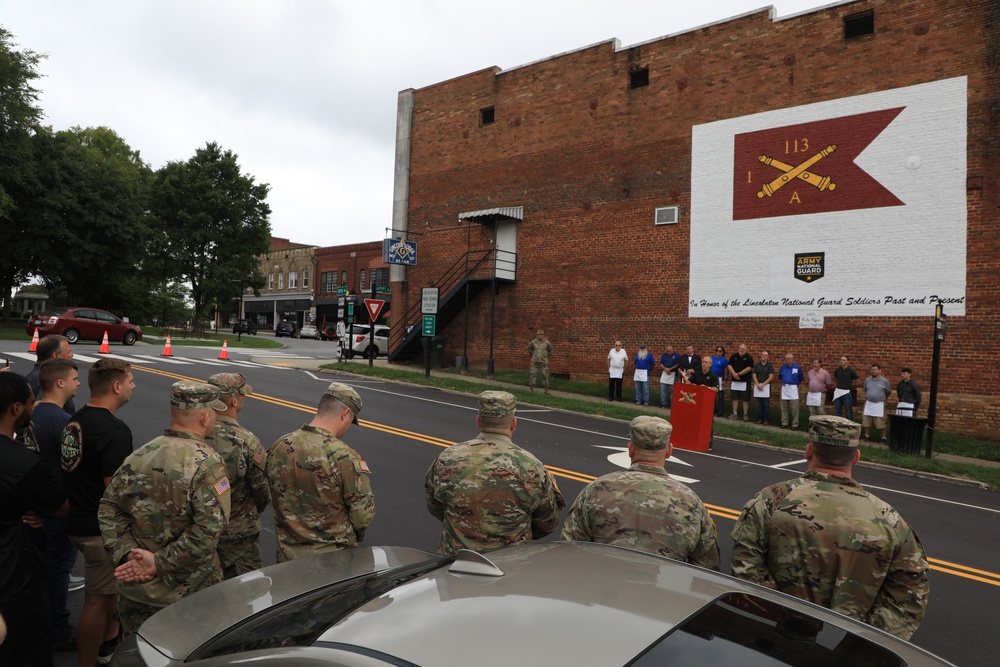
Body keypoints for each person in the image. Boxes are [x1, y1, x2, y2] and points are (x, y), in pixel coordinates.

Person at [731, 415, 929, 640]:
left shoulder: (771, 500)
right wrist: (861, 644)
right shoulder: (889, 519)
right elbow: (909, 597)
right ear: (856, 457)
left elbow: (745, 572)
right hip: (847, 646)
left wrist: (788, 618)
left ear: (808, 451)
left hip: (775, 638)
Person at [99, 381, 231, 633]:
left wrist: (127, 553)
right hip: (187, 596)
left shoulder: (140, 455)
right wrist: (159, 562)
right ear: (204, 417)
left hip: (137, 592)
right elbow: (208, 530)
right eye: (214, 412)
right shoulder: (208, 463)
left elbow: (108, 507)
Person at [560, 416, 719, 569]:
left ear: (630, 449)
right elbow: (707, 567)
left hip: (602, 588)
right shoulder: (690, 501)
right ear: (669, 451)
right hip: (661, 592)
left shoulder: (597, 489)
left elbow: (569, 549)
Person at [425, 390, 565, 555]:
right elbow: (548, 522)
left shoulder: (447, 458)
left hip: (455, 562)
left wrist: (466, 524)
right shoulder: (531, 466)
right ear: (513, 423)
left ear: (478, 421)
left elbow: (435, 506)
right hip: (509, 567)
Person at [61, 358, 135, 666]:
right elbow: (116, 492)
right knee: (95, 600)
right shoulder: (114, 431)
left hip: (77, 518)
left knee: (107, 592)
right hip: (99, 530)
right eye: (130, 381)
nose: (133, 386)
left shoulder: (76, 420)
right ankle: (87, 661)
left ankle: (107, 644)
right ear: (116, 386)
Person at [0, 373, 68, 667]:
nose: (33, 408)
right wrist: (37, 512)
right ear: (16, 409)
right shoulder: (24, 463)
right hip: (15, 578)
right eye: (30, 403)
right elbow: (60, 506)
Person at [267, 383, 374, 562]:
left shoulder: (280, 445)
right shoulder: (344, 457)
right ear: (345, 413)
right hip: (332, 562)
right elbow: (362, 517)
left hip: (287, 559)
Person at [22, 359, 79, 651]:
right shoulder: (61, 420)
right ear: (59, 383)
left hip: (36, 504)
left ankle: (38, 623)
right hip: (59, 506)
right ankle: (57, 627)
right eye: (73, 378)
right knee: (58, 569)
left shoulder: (31, 414)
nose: (77, 383)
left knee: (40, 567)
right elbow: (77, 467)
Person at [204, 373, 270, 578]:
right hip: (238, 537)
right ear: (234, 400)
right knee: (243, 595)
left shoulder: (196, 434)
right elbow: (262, 493)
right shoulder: (247, 442)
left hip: (198, 533)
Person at [24, 334, 77, 413]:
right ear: (56, 355)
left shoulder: (32, 376)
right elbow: (40, 406)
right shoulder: (46, 378)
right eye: (69, 351)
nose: (72, 355)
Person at [689, 356, 720, 448]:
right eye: (703, 362)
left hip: (707, 403)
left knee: (708, 423)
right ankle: (693, 439)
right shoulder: (696, 374)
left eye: (706, 362)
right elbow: (689, 384)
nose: (703, 364)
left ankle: (708, 442)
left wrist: (707, 388)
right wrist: (684, 376)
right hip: (696, 402)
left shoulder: (713, 376)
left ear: (710, 365)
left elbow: (716, 389)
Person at [863, 363, 893, 443]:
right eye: (872, 369)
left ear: (879, 371)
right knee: (867, 421)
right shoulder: (867, 380)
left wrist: (881, 398)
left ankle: (883, 438)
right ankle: (866, 436)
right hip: (869, 403)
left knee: (881, 422)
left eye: (875, 370)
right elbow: (866, 390)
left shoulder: (884, 381)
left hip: (879, 404)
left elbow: (888, 392)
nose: (873, 371)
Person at [727, 344, 754, 421]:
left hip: (745, 381)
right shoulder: (734, 356)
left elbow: (749, 368)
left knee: (745, 399)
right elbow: (729, 365)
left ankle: (745, 414)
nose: (741, 350)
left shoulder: (749, 358)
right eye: (740, 348)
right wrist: (734, 374)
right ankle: (734, 413)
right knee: (734, 397)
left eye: (743, 349)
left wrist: (739, 374)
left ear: (746, 350)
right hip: (735, 381)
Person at [778, 352, 804, 429]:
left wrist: (795, 384)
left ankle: (795, 424)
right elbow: (780, 376)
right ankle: (784, 422)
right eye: (786, 358)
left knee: (794, 408)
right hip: (785, 387)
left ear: (792, 359)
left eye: (789, 358)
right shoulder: (782, 367)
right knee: (784, 407)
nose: (787, 360)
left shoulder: (797, 367)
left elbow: (801, 378)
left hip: (793, 388)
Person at [833, 355, 860, 420]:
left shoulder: (851, 371)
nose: (842, 361)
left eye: (844, 360)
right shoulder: (837, 370)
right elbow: (835, 378)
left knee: (848, 411)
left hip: (846, 392)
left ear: (848, 361)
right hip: (838, 391)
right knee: (837, 411)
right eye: (841, 360)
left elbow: (857, 381)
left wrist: (852, 387)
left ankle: (849, 426)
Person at [527, 329, 553, 394]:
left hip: (543, 362)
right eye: (539, 334)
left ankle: (546, 390)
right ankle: (531, 388)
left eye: (541, 334)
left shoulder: (547, 342)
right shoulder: (533, 342)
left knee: (545, 375)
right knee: (533, 374)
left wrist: (546, 356)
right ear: (537, 335)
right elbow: (530, 350)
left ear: (543, 335)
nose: (540, 336)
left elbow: (550, 350)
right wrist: (534, 356)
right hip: (535, 362)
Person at [753, 351, 775, 425]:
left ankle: (766, 419)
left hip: (766, 387)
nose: (763, 356)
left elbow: (771, 377)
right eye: (762, 355)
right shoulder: (757, 365)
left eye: (765, 355)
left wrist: (763, 384)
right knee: (759, 404)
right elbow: (754, 375)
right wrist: (757, 384)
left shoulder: (769, 366)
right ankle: (760, 418)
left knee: (766, 404)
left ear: (768, 357)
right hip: (758, 386)